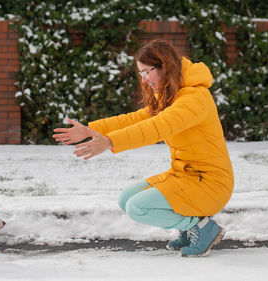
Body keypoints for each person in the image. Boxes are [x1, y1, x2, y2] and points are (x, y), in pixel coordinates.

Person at [53, 39, 234, 257]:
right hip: (184, 175)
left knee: (138, 207)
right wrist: (91, 130)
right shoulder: (171, 96)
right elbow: (136, 119)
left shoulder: (194, 99)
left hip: (209, 183)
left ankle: (202, 228)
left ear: (165, 67)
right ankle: (188, 228)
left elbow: (155, 127)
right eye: (141, 73)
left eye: (147, 71)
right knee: (125, 199)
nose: (144, 79)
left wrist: (110, 142)